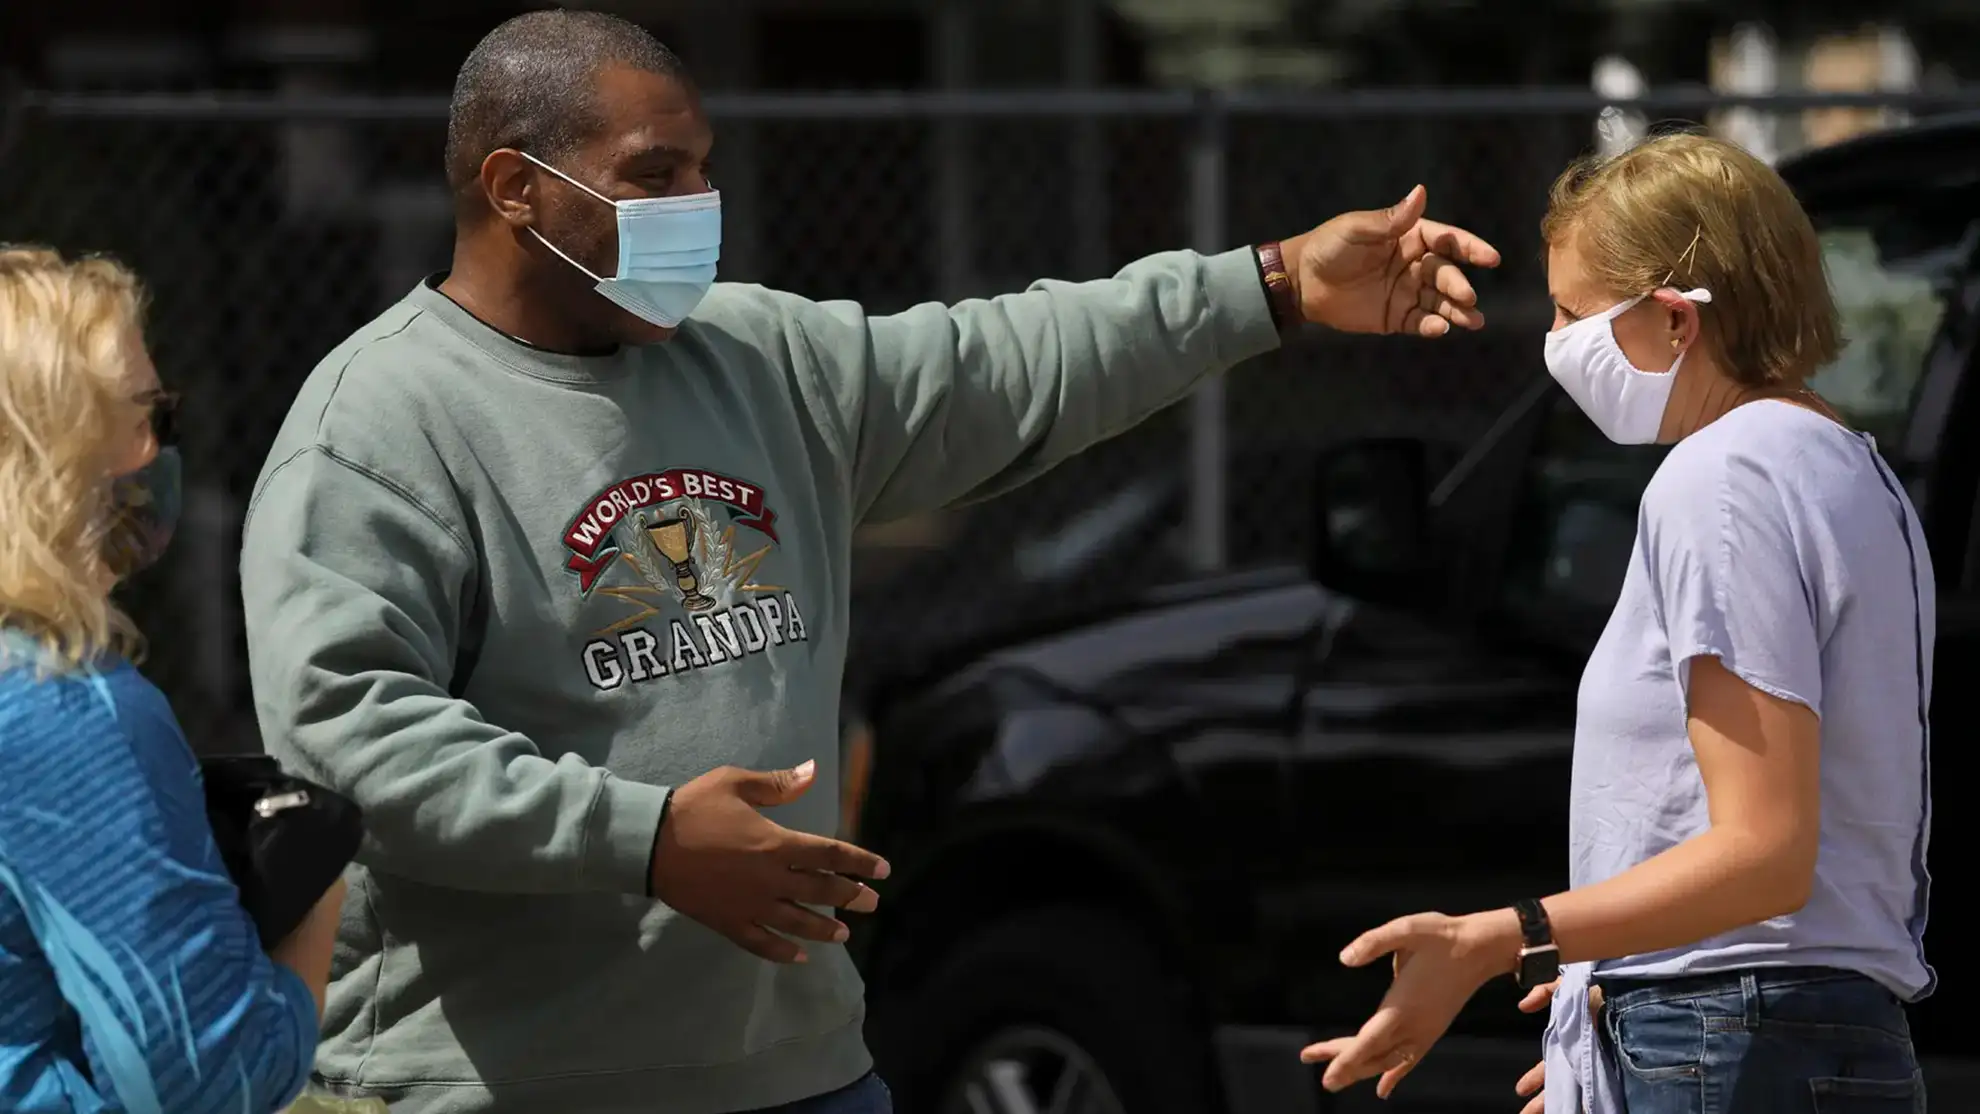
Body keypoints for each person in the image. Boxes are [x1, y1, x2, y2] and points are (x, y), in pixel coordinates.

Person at [236, 10, 1501, 1114]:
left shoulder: (758, 359)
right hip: (499, 1087)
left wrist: (1269, 286)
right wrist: (648, 835)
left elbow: (1009, 358)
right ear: (515, 187)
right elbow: (351, 731)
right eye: (654, 173)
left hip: (798, 1073)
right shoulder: (379, 422)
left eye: (704, 170)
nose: (695, 207)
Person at [1296, 132, 1934, 1114]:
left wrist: (1499, 938)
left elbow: (1765, 848)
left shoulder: (1721, 480)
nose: (1554, 342)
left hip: (1736, 1035)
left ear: (1675, 320)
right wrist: (1623, 992)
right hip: (1785, 1030)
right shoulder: (1852, 470)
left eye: (1572, 313)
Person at [0, 246, 347, 1113]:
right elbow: (207, 1077)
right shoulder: (63, 707)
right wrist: (314, 896)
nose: (161, 447)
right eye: (150, 414)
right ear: (53, 449)